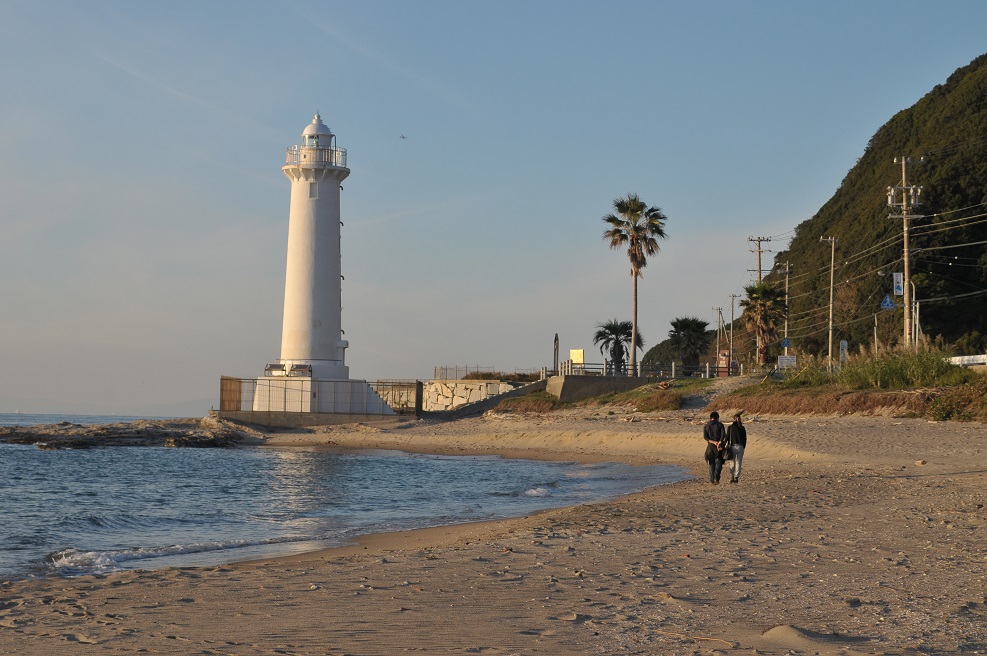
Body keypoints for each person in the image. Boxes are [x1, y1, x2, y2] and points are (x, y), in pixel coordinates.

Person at [703, 411, 727, 484]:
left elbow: (705, 437)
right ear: (717, 418)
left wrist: (713, 442)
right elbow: (723, 435)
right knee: (719, 462)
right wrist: (719, 442)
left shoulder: (706, 426)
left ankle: (712, 480)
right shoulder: (720, 425)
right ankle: (716, 478)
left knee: (711, 464)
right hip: (719, 446)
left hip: (710, 447)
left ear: (711, 418)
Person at [726, 412, 748, 484]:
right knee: (739, 462)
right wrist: (743, 446)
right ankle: (736, 477)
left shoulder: (730, 427)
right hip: (740, 446)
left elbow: (727, 437)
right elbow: (745, 438)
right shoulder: (742, 428)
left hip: (732, 446)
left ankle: (732, 477)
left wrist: (723, 445)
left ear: (734, 419)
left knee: (732, 462)